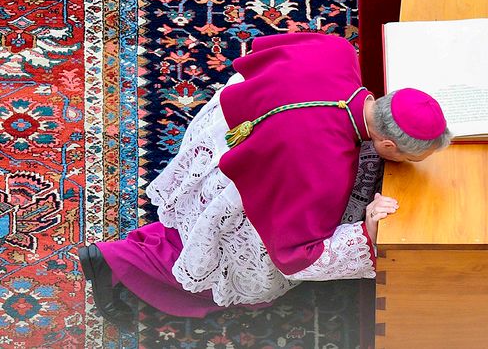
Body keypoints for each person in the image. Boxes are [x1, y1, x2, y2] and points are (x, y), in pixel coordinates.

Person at [78, 32, 452, 325]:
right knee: (226, 266)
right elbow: (297, 255)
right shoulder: (323, 170)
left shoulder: (338, 51)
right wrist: (366, 233)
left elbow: (259, 55)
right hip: (240, 180)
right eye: (408, 157)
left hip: (225, 127)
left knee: (198, 227)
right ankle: (114, 260)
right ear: (386, 143)